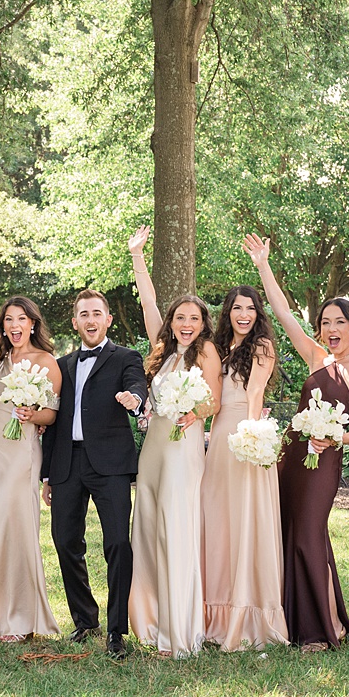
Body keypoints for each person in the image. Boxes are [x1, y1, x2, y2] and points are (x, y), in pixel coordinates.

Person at [247, 235, 349, 652]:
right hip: (290, 458)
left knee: (308, 534)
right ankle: (302, 620)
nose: (331, 329)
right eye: (325, 323)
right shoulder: (317, 358)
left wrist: (333, 436)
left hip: (324, 463)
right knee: (287, 532)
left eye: (339, 322)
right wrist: (263, 264)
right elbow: (283, 312)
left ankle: (322, 628)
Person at [40, 289, 149, 660]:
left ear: (108, 320)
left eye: (96, 313)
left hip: (111, 466)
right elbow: (52, 421)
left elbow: (138, 386)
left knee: (117, 543)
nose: (90, 319)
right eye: (83, 314)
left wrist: (134, 400)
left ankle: (117, 630)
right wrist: (47, 475)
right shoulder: (63, 364)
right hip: (67, 463)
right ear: (75, 322)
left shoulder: (126, 357)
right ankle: (86, 619)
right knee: (64, 539)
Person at [125, 228, 215, 659]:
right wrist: (137, 257)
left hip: (184, 446)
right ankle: (150, 621)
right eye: (180, 317)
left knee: (174, 529)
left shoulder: (208, 353)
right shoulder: (162, 350)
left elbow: (213, 399)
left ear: (202, 325)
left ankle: (179, 631)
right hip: (154, 448)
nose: (185, 324)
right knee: (147, 527)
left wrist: (193, 413)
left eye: (193, 319)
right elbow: (148, 302)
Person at [0, 296, 61, 641]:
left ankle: (20, 620)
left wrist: (32, 415)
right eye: (8, 319)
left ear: (33, 323)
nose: (15, 325)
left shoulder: (46, 361)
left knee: (14, 529)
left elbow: (52, 412)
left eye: (21, 319)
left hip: (20, 449)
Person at [201, 282, 288, 650]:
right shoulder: (220, 348)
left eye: (250, 309)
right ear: (228, 312)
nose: (243, 315)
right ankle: (212, 612)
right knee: (217, 518)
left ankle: (247, 611)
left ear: (258, 314)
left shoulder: (262, 346)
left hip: (246, 436)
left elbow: (254, 392)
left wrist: (253, 437)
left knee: (245, 519)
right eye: (237, 308)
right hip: (219, 438)